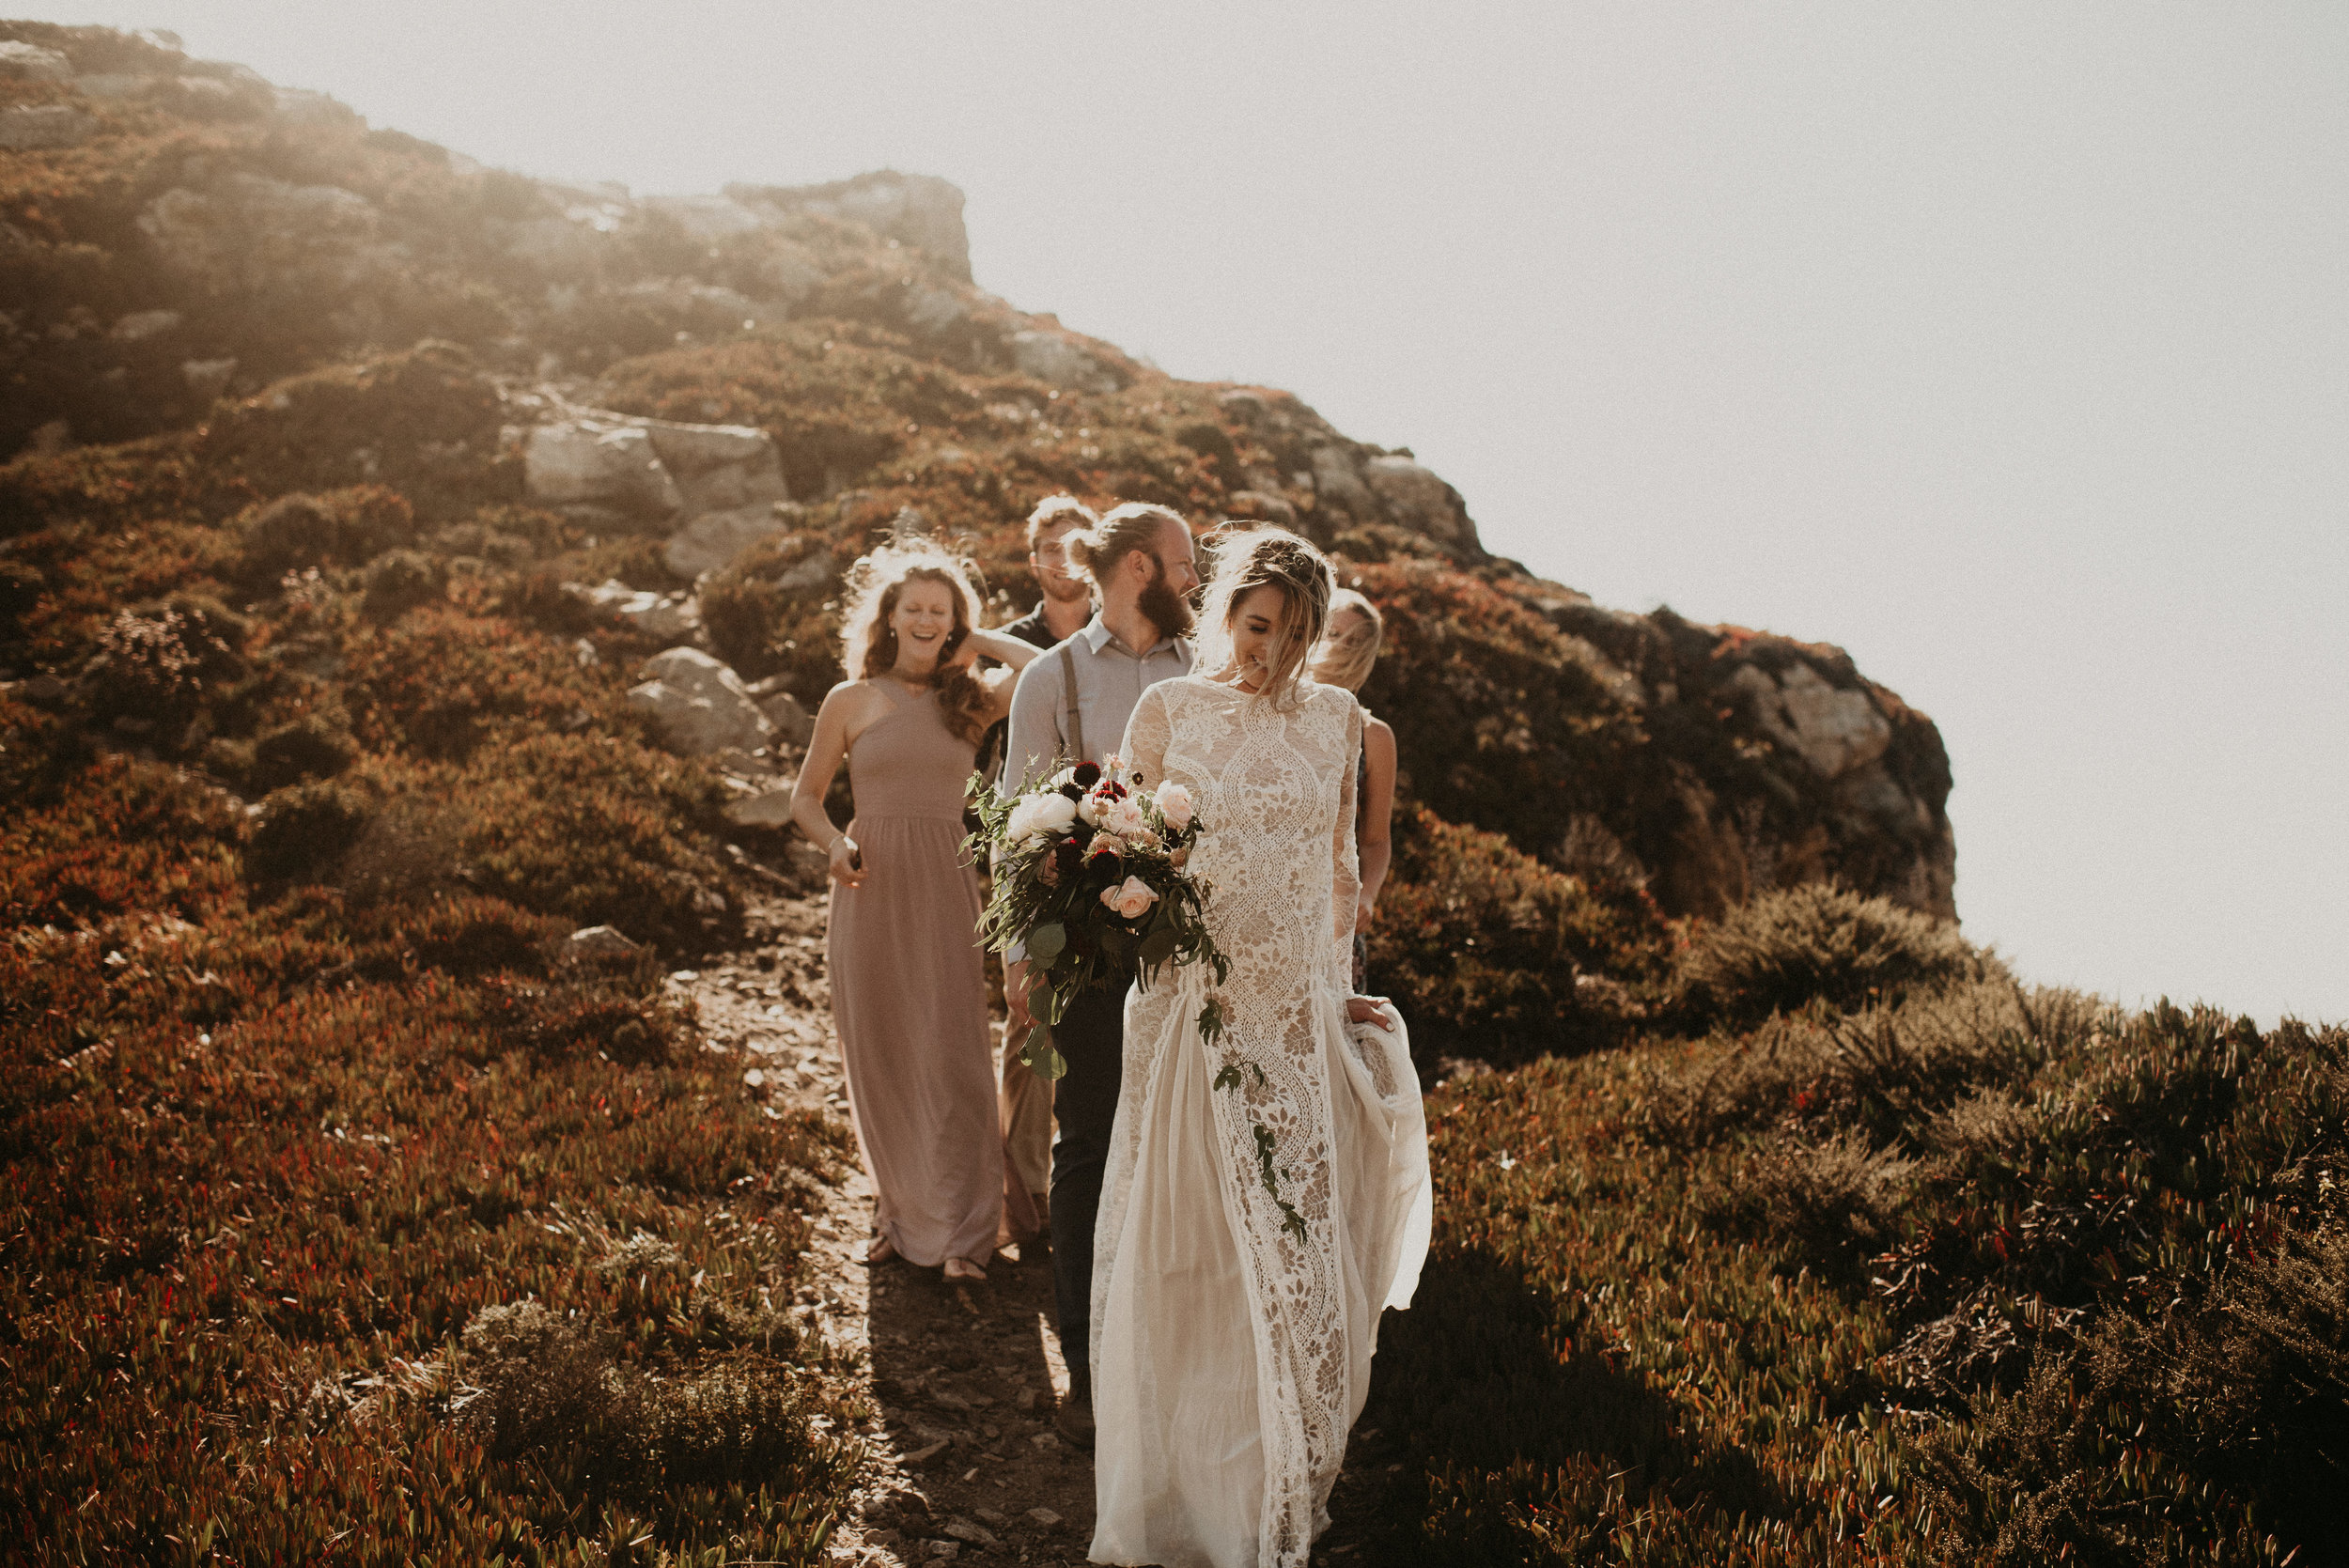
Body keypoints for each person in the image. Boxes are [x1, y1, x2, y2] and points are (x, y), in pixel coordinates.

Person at [1089, 528, 1431, 1568]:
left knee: (1290, 1250)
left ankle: (1274, 1484)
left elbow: (1338, 873)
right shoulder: (1168, 710)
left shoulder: (1338, 722)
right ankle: (1175, 1495)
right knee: (1186, 1242)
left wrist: (1334, 996)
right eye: (1254, 626)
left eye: (1292, 634)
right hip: (1187, 1011)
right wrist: (1123, 899)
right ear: (1223, 611)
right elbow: (1118, 845)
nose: (1268, 652)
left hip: (1290, 1017)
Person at [1001, 501, 1201, 1444]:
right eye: (1180, 562)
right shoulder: (1051, 676)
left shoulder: (1207, 673)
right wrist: (1017, 962)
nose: (1195, 579)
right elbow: (1013, 821)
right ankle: (1084, 1363)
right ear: (1133, 568)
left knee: (1186, 1146)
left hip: (1192, 947)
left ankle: (1172, 1359)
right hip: (1084, 949)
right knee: (1086, 1142)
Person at [790, 540, 1043, 1285]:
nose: (928, 620)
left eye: (943, 610)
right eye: (916, 609)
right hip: (868, 885)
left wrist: (979, 641)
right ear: (890, 618)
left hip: (946, 880)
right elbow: (803, 798)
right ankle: (899, 1213)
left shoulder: (972, 696)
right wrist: (834, 842)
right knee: (883, 1049)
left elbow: (1043, 670)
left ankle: (968, 1230)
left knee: (955, 1050)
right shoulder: (850, 699)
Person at [984, 495, 1101, 1242]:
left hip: (1102, 848)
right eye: (1049, 548)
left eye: (1076, 546)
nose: (1062, 560)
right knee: (1029, 1017)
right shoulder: (1015, 643)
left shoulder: (1116, 638)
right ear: (1032, 560)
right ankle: (1020, 1199)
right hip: (1022, 847)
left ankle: (1084, 1191)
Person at [1308, 588, 1398, 991]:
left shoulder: (1374, 736)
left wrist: (1367, 897)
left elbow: (1376, 840)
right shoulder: (1265, 711)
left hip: (1334, 918)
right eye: (1333, 632)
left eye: (1355, 640)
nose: (1341, 647)